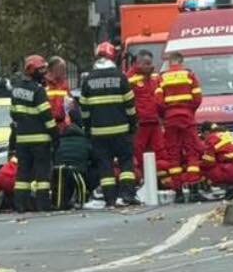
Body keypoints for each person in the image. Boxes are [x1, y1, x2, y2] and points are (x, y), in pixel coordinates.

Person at [80, 42, 139, 207]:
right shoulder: (120, 77)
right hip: (121, 130)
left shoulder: (88, 80)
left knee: (105, 166)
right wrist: (133, 124)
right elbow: (130, 105)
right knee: (126, 163)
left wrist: (87, 128)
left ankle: (109, 199)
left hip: (98, 133)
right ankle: (127, 195)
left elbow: (84, 110)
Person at [9, 55, 58, 212]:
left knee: (23, 174)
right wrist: (55, 135)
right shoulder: (38, 90)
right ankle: (43, 204)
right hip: (40, 139)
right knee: (42, 174)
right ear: (32, 70)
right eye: (41, 70)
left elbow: (13, 113)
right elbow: (47, 117)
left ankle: (20, 205)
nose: (43, 73)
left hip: (22, 139)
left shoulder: (16, 89)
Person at [155, 50, 202, 201]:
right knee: (192, 152)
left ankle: (179, 193)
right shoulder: (189, 75)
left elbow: (158, 101)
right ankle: (194, 190)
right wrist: (189, 111)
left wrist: (165, 115)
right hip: (187, 118)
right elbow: (197, 98)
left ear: (169, 62)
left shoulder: (162, 78)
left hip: (170, 119)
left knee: (173, 155)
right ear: (182, 61)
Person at [127, 49, 164, 186]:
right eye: (147, 63)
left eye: (151, 63)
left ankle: (159, 182)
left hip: (154, 122)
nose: (151, 66)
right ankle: (141, 182)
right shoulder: (129, 78)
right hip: (140, 123)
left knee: (160, 152)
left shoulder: (154, 78)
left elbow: (160, 97)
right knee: (138, 154)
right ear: (138, 63)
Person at [53, 101, 94, 209]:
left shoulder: (60, 140)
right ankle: (87, 193)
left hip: (58, 174)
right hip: (80, 174)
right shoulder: (85, 140)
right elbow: (94, 158)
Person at [201, 124, 233, 199]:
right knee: (221, 160)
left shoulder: (212, 138)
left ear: (206, 133)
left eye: (203, 136)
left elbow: (208, 162)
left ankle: (230, 188)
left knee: (205, 168)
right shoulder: (230, 135)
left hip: (232, 171)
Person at [45, 56, 72, 129]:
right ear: (52, 69)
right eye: (61, 68)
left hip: (64, 126)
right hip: (49, 126)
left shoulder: (64, 84)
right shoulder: (44, 84)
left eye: (64, 68)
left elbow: (71, 105)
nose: (64, 71)